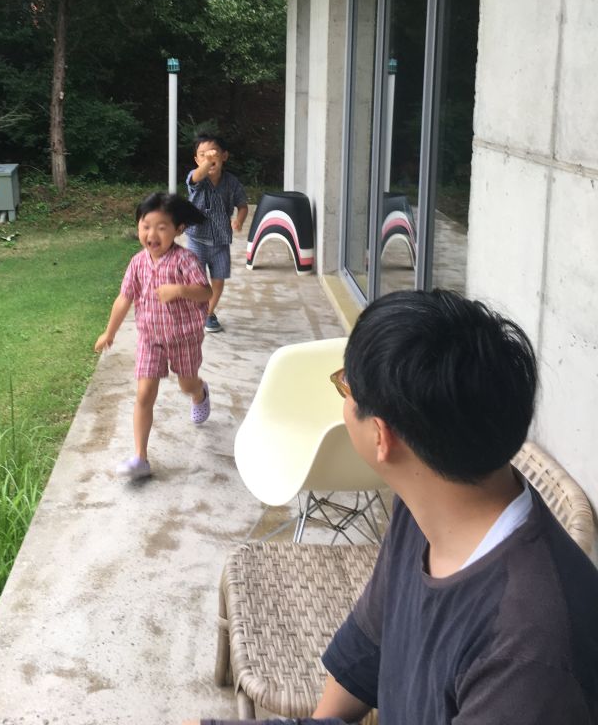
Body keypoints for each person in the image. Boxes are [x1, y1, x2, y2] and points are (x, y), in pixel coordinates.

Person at [188, 289, 598, 724]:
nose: (343, 399)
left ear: (381, 436)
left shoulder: (530, 658)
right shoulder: (428, 504)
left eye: (345, 386)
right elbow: (368, 645)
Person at [95, 191, 213, 480]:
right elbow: (124, 298)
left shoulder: (185, 260)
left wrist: (180, 290)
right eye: (146, 226)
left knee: (186, 384)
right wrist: (110, 332)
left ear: (178, 229)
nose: (152, 234)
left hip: (184, 337)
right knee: (144, 393)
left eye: (161, 227)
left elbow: (206, 292)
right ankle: (140, 458)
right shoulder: (137, 263)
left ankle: (199, 392)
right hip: (150, 339)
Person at [185, 133, 248, 333]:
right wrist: (208, 161)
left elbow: (242, 205)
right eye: (202, 155)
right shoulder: (196, 178)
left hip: (221, 241)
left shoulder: (232, 182)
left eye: (213, 154)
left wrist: (239, 220)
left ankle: (208, 313)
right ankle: (195, 311)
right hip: (197, 238)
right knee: (197, 281)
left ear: (224, 156)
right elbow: (196, 177)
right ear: (197, 160)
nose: (209, 159)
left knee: (218, 280)